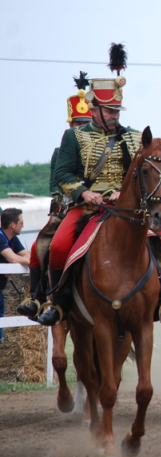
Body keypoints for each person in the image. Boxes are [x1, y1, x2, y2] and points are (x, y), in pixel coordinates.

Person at [38, 43, 161, 326]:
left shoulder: (134, 136)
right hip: (88, 208)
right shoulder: (74, 138)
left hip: (126, 209)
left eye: (118, 109)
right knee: (58, 244)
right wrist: (85, 193)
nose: (116, 115)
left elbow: (143, 174)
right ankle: (58, 302)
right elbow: (62, 176)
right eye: (110, 110)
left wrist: (125, 192)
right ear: (94, 109)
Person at [18, 72, 92, 319]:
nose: (80, 128)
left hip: (102, 206)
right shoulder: (61, 150)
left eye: (85, 123)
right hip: (69, 208)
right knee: (41, 245)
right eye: (76, 124)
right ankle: (38, 298)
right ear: (70, 124)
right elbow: (55, 184)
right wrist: (76, 194)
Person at [0, 208, 31, 343]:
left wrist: (27, 260)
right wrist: (33, 263)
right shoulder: (0, 237)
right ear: (13, 225)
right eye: (21, 222)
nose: (23, 225)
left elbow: (25, 254)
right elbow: (13, 258)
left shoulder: (13, 239)